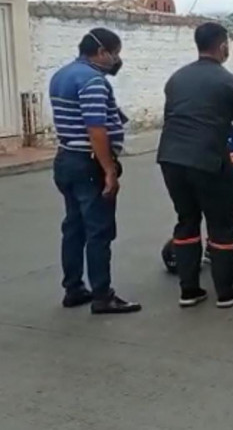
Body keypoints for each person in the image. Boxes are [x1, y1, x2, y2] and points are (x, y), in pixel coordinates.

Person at [157, 22, 233, 309]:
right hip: (208, 161)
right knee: (221, 226)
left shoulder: (176, 79)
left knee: (186, 221)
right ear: (222, 46)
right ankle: (225, 292)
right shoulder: (231, 83)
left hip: (170, 159)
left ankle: (189, 291)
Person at [49, 28, 141, 314]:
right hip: (88, 163)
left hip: (66, 158)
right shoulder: (93, 81)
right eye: (115, 54)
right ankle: (103, 295)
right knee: (99, 231)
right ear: (102, 52)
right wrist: (109, 170)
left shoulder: (61, 75)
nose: (116, 60)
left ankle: (73, 288)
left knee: (74, 227)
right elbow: (96, 130)